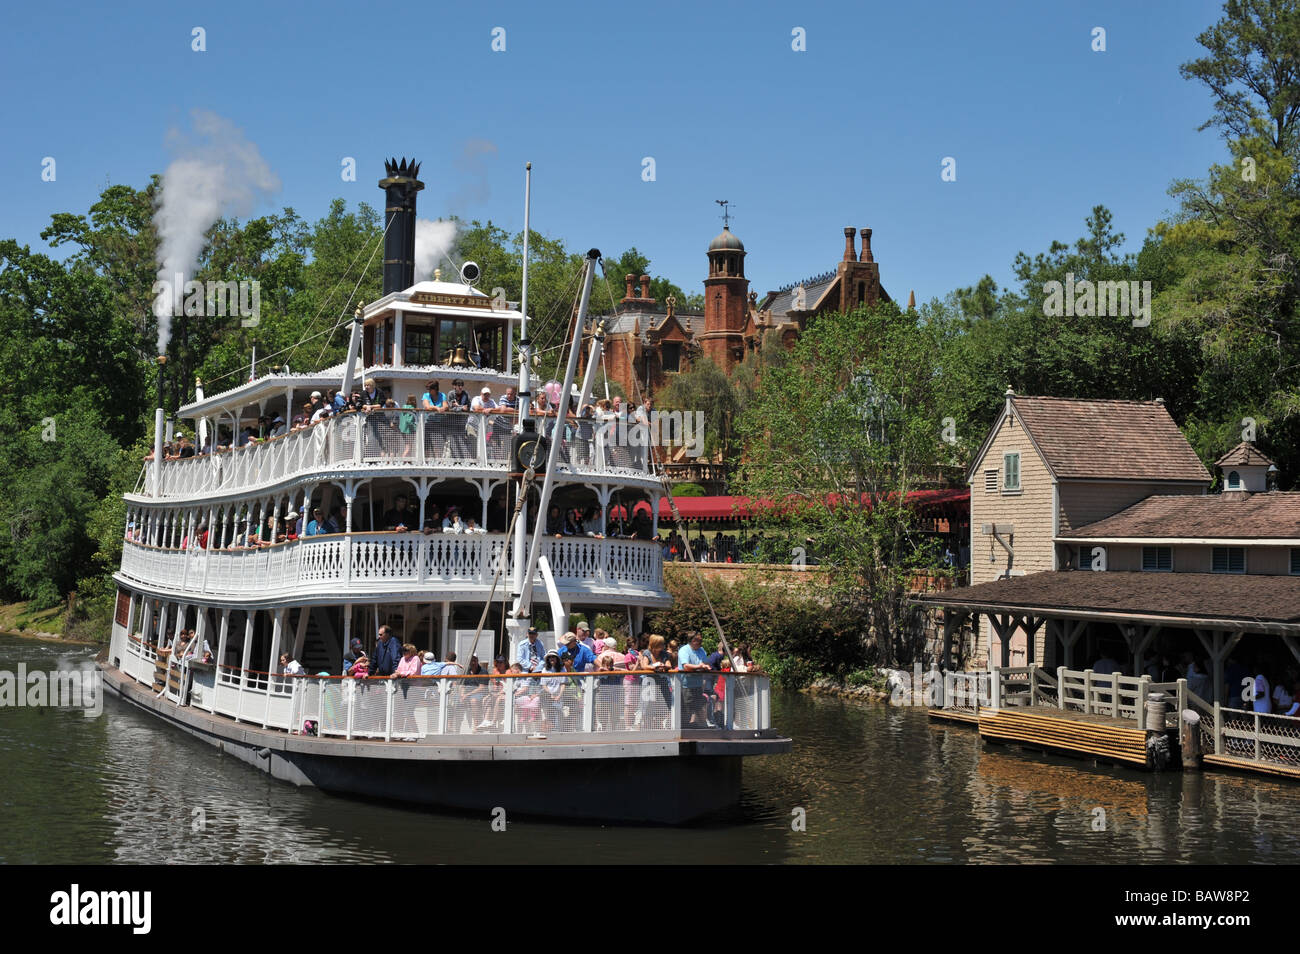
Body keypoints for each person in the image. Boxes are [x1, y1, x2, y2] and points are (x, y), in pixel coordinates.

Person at [678, 631, 714, 727]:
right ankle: (685, 732)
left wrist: (706, 666)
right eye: (699, 640)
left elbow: (706, 663)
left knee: (699, 708)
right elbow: (685, 666)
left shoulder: (701, 650)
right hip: (686, 686)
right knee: (687, 710)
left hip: (698, 685)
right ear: (692, 640)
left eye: (701, 640)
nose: (701, 642)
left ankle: (699, 730)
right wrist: (699, 666)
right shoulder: (684, 650)